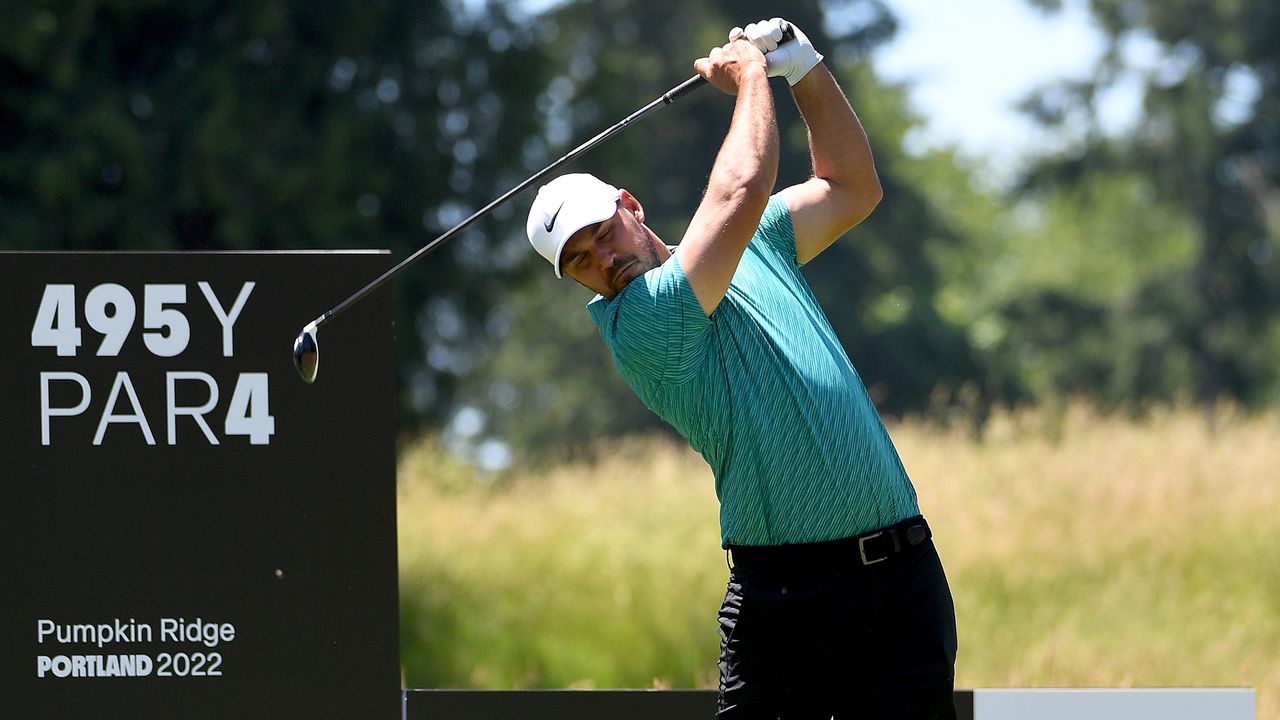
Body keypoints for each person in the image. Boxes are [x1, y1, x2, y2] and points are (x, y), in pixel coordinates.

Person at [525, 17, 957, 719]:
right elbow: (739, 188)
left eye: (603, 233)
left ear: (631, 206)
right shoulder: (641, 323)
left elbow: (852, 186)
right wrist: (753, 78)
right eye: (579, 260)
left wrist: (806, 71)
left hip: (904, 576)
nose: (604, 260)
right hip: (789, 599)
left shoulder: (754, 244)